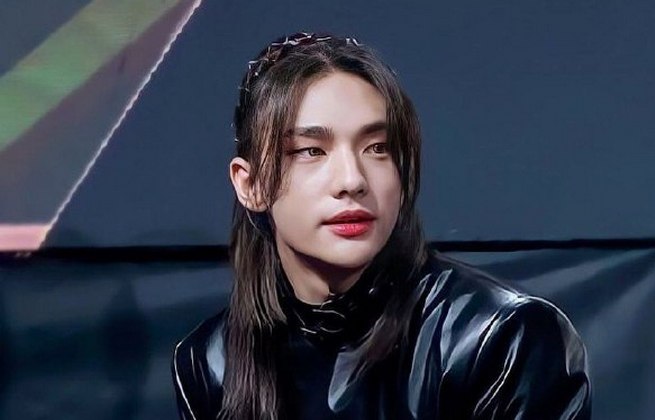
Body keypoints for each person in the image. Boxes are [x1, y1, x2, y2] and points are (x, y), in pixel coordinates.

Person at [171, 32, 591, 420]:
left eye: (377, 148)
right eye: (311, 151)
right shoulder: (210, 362)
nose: (352, 180)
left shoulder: (500, 338)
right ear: (250, 185)